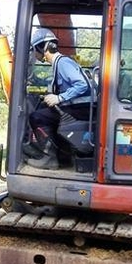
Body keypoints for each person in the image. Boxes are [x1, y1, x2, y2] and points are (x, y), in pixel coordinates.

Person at [23, 27, 93, 169]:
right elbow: (56, 84)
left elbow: (82, 85)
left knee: (37, 117)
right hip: (79, 108)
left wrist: (59, 98)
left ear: (42, 48)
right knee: (44, 109)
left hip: (82, 110)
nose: (34, 53)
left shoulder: (63, 63)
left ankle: (49, 159)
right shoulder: (58, 64)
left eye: (35, 49)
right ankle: (63, 157)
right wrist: (36, 81)